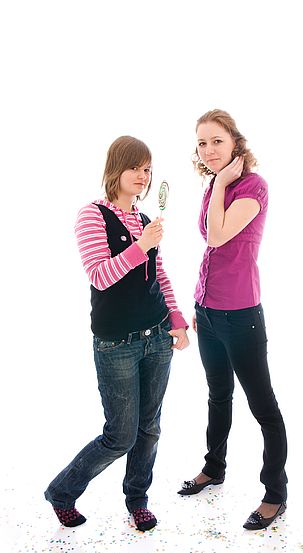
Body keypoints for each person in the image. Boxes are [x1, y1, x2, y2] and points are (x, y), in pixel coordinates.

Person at [45, 136, 189, 531]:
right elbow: (100, 276)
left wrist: (175, 318)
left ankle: (137, 500)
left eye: (148, 170)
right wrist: (142, 245)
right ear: (116, 168)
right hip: (117, 344)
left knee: (150, 427)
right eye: (136, 167)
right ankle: (62, 491)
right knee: (119, 435)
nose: (143, 176)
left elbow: (157, 275)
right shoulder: (91, 215)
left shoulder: (144, 221)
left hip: (157, 336)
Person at [178, 110, 288, 530]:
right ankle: (214, 467)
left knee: (264, 407)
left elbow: (219, 235)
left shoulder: (252, 186)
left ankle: (275, 494)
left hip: (241, 316)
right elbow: (211, 246)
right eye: (202, 143)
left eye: (216, 141)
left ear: (235, 143)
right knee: (217, 395)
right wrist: (199, 304)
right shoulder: (213, 185)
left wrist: (221, 183)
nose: (208, 150)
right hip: (207, 313)